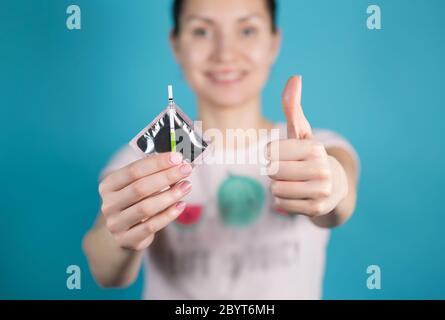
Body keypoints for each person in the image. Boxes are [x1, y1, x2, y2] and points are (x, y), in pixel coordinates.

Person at [83, 0, 359, 299]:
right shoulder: (144, 159)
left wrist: (331, 183)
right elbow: (106, 271)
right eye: (201, 31)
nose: (225, 53)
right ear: (176, 45)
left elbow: (339, 202)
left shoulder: (317, 147)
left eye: (247, 30)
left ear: (273, 42)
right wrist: (120, 234)